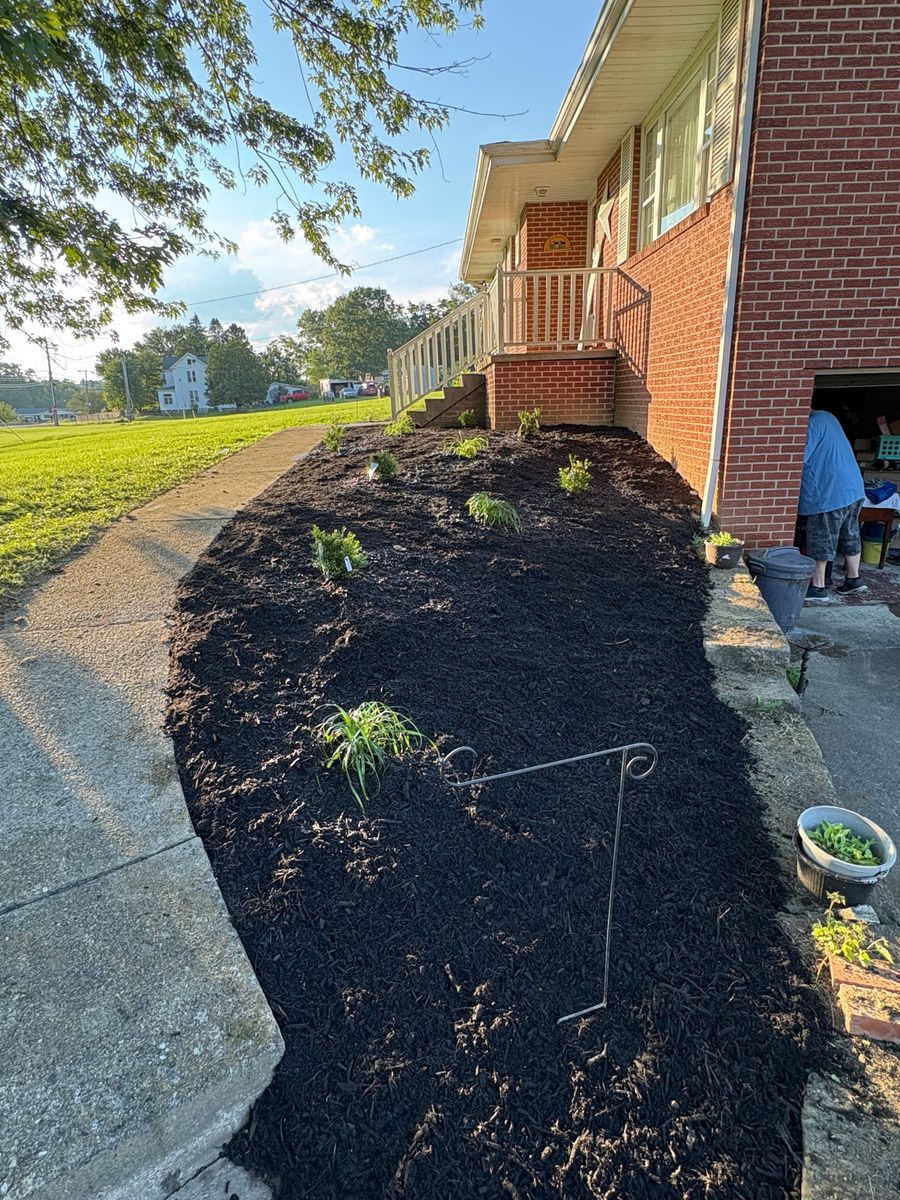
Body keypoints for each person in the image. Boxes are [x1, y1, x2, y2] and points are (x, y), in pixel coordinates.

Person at [799, 407, 867, 603]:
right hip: (853, 489)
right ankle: (854, 579)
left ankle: (818, 588)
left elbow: (798, 458)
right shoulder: (829, 418)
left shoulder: (812, 424)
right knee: (850, 533)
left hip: (829, 492)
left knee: (822, 537)